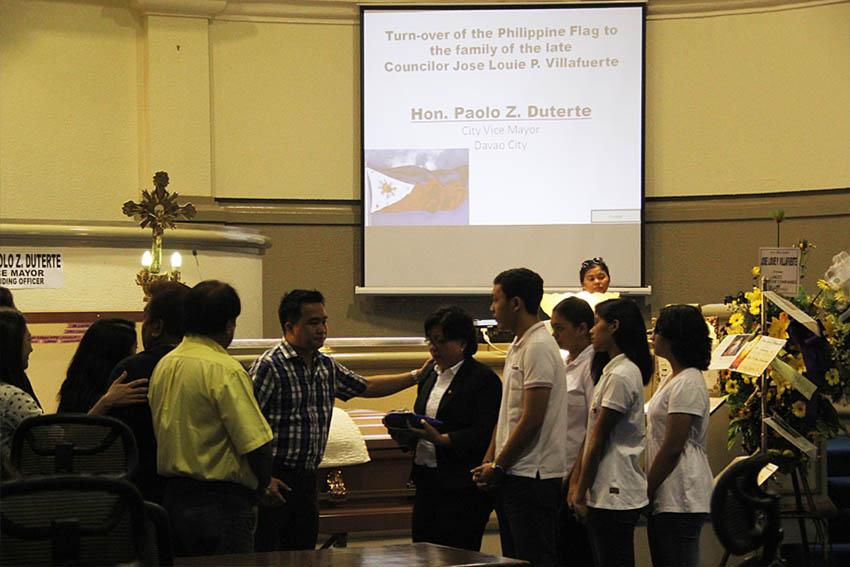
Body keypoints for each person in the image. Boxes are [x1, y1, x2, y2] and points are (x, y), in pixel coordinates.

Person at [250, 288, 431, 551]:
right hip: (275, 478)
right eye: (313, 322)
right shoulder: (270, 366)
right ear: (290, 326)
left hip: (308, 479)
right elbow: (245, 424)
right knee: (269, 556)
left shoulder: (325, 365)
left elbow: (366, 386)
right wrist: (262, 479)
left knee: (303, 554)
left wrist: (416, 376)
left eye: (324, 321)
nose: (322, 328)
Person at [148, 280, 281, 556]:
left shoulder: (165, 364)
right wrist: (263, 484)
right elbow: (255, 442)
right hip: (221, 505)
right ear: (229, 324)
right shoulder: (225, 369)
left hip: (173, 498)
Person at [472, 268, 568, 567]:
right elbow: (508, 413)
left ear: (516, 303)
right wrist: (490, 459)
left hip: (532, 476)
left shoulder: (538, 346)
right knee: (514, 559)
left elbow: (533, 417)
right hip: (514, 472)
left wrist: (499, 464)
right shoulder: (518, 344)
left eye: (495, 300)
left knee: (534, 558)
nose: (492, 308)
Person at [402, 306, 501, 551]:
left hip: (461, 486)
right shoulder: (430, 376)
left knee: (458, 554)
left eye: (441, 341)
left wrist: (445, 439)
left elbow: (486, 430)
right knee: (423, 552)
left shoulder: (482, 379)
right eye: (431, 341)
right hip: (427, 481)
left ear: (463, 343)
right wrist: (407, 435)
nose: (434, 348)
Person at [568, 298, 653, 567]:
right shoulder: (611, 370)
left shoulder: (622, 375)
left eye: (596, 323)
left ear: (614, 326)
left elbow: (599, 438)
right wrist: (576, 484)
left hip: (614, 492)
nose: (592, 331)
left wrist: (580, 491)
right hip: (604, 490)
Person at [107, 280, 189, 503]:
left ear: (157, 327)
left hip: (138, 488)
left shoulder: (131, 370)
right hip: (196, 492)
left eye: (145, 318)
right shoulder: (207, 368)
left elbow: (107, 438)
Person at [646, 305, 713, 567]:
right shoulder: (672, 379)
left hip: (680, 492)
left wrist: (647, 487)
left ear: (674, 338)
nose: (653, 336)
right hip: (668, 492)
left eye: (658, 331)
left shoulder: (689, 381)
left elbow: (673, 445)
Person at [550, 297, 595, 567]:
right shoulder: (565, 364)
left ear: (582, 328)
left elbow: (593, 426)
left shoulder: (591, 367)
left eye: (560, 328)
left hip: (577, 469)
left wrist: (577, 479)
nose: (555, 335)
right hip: (558, 467)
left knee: (578, 553)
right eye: (553, 328)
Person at [57, 318, 140, 413]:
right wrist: (105, 403)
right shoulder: (121, 393)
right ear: (118, 353)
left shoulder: (76, 384)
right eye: (135, 348)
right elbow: (72, 427)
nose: (136, 355)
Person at [0, 307, 42, 462]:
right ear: (12, 345)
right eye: (28, 339)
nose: (31, 348)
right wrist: (105, 403)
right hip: (15, 484)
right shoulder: (12, 398)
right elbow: (57, 443)